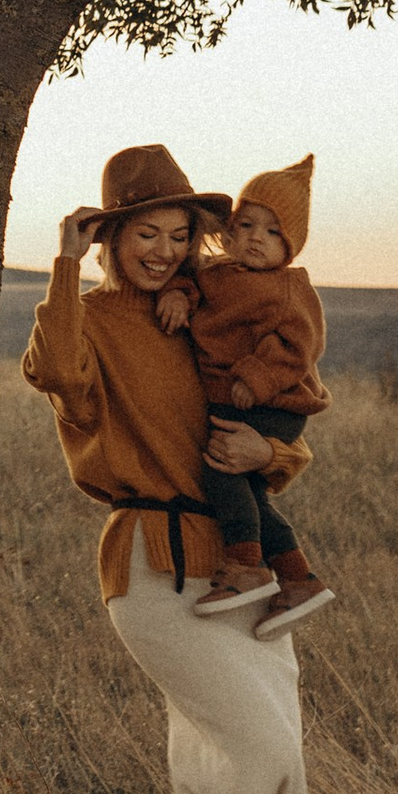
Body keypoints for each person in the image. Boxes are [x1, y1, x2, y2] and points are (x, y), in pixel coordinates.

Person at [21, 143, 315, 794]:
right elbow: (55, 374)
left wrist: (274, 456)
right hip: (150, 562)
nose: (162, 249)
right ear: (112, 236)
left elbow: (282, 419)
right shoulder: (95, 316)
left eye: (179, 233)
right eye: (143, 232)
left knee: (286, 773)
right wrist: (66, 265)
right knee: (258, 747)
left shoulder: (210, 311)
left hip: (243, 563)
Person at [155, 158, 334, 636]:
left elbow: (301, 346)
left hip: (274, 404)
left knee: (222, 472)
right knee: (250, 495)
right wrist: (177, 297)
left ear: (291, 245)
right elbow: (190, 285)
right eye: (247, 225)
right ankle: (298, 578)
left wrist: (255, 376)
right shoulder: (217, 274)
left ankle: (247, 566)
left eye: (273, 232)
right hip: (238, 400)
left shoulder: (290, 289)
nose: (256, 237)